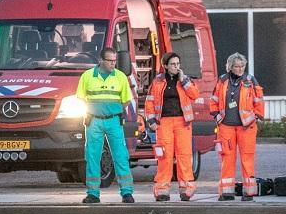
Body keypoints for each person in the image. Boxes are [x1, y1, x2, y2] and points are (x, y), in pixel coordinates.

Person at [76, 47, 134, 203]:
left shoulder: (120, 77)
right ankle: (93, 193)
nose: (113, 64)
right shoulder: (87, 76)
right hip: (93, 120)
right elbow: (80, 98)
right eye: (110, 61)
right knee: (92, 156)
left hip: (113, 120)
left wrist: (113, 110)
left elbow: (126, 100)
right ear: (100, 60)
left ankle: (127, 192)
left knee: (120, 156)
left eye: (115, 60)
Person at [209, 53, 264, 201]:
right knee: (227, 158)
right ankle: (227, 192)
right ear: (230, 67)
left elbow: (259, 101)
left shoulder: (250, 80)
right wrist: (217, 117)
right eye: (237, 66)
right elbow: (213, 100)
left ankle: (249, 192)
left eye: (242, 66)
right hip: (226, 126)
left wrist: (255, 117)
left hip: (246, 127)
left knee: (247, 158)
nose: (240, 69)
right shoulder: (222, 80)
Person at [145, 53, 200, 201]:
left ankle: (187, 189)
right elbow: (149, 102)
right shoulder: (157, 81)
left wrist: (184, 81)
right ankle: (162, 190)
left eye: (178, 64)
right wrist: (151, 121)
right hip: (164, 123)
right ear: (166, 66)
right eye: (173, 64)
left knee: (184, 155)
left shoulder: (185, 80)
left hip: (183, 122)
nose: (176, 67)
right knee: (165, 156)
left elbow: (195, 95)